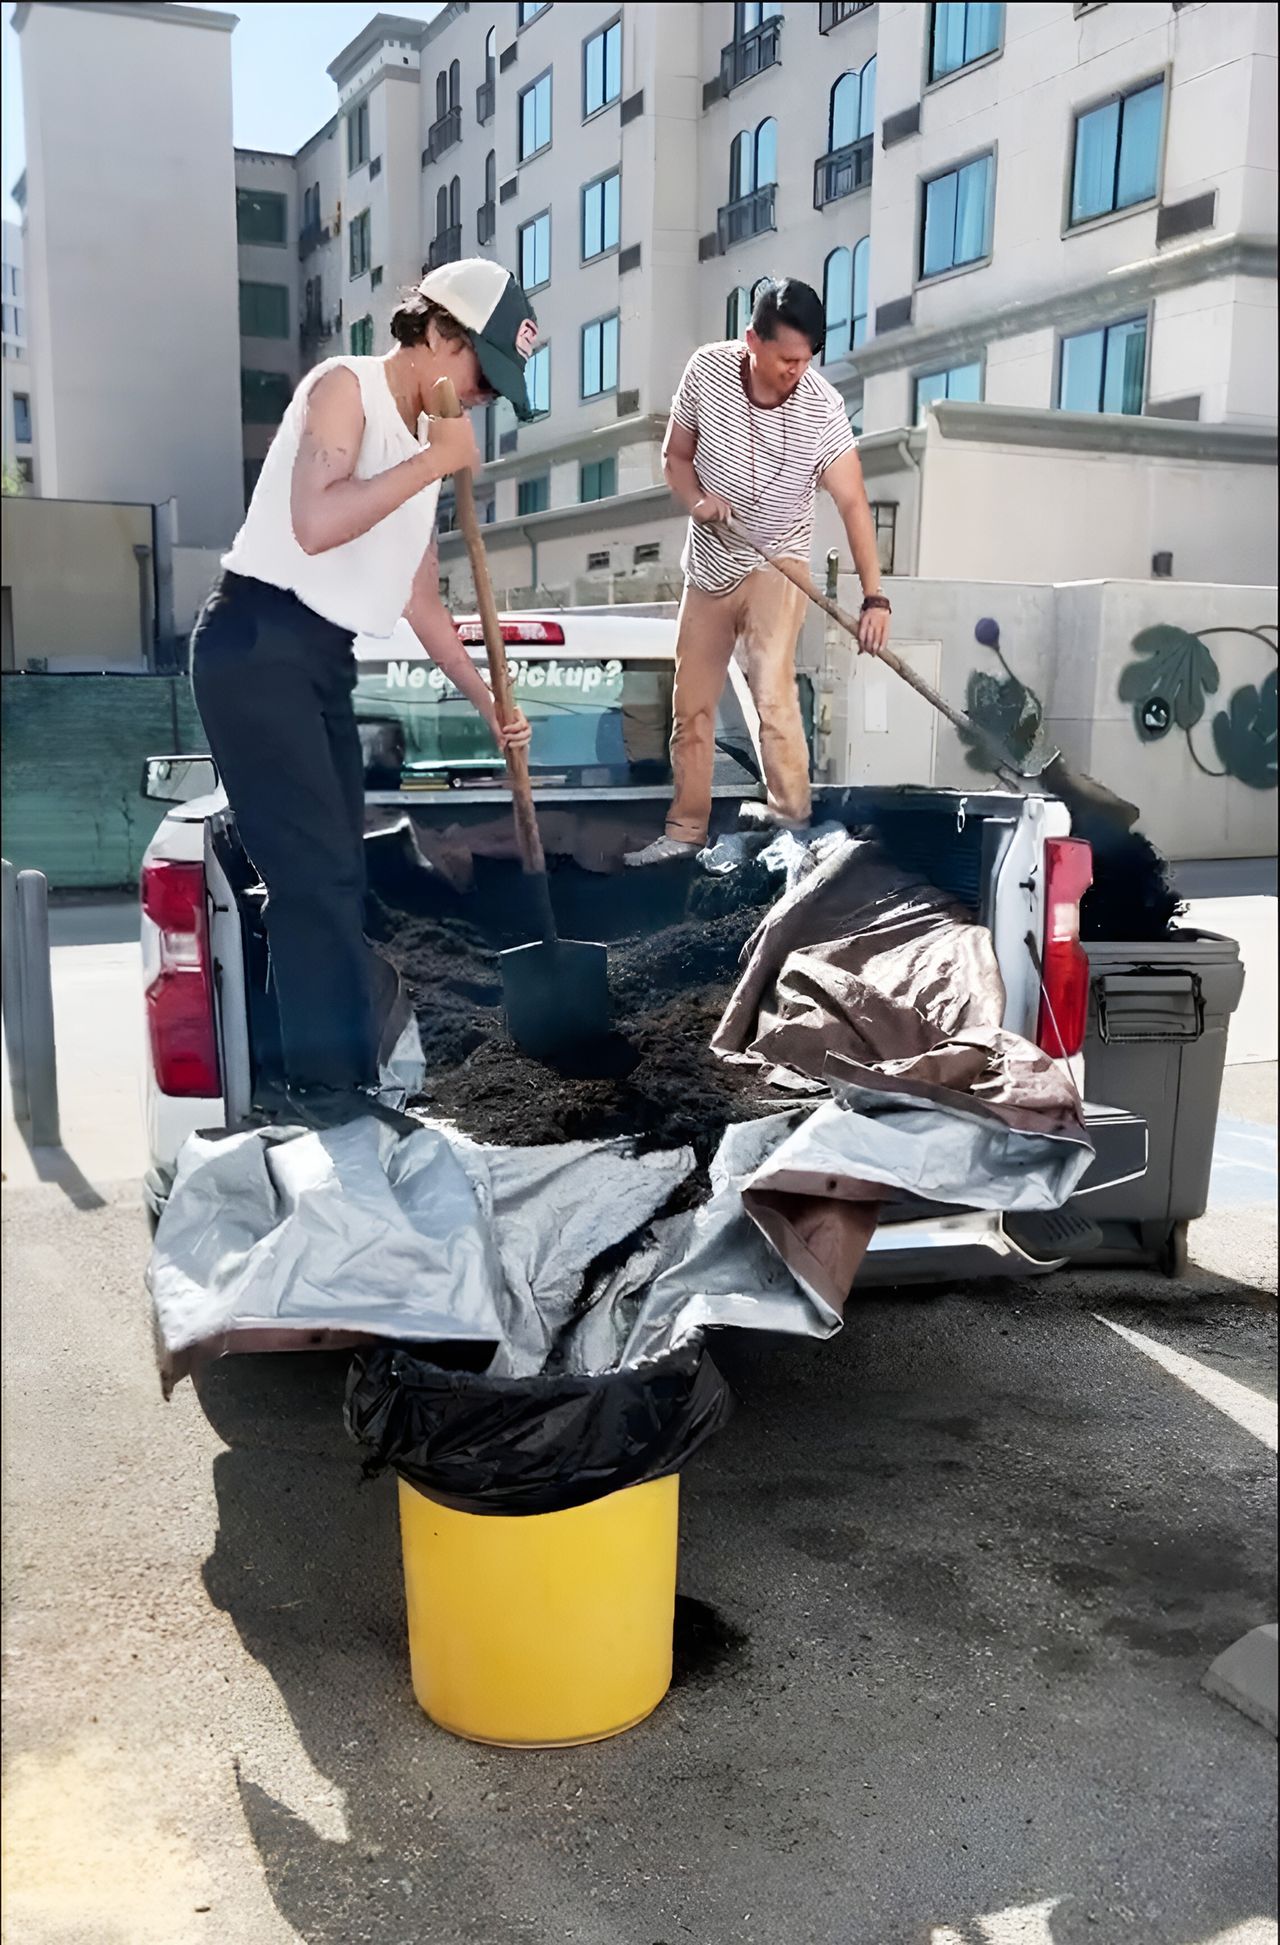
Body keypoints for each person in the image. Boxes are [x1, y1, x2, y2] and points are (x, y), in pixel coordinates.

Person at [191, 260, 538, 1126]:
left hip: (320, 658)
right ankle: (323, 1096)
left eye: (496, 387)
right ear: (439, 336)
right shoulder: (343, 389)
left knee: (341, 876)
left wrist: (488, 700)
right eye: (482, 372)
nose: (485, 396)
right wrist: (431, 465)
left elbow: (422, 604)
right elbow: (314, 524)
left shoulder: (423, 438)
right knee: (314, 877)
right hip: (255, 640)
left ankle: (334, 1079)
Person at [625, 278, 891, 868]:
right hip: (711, 561)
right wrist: (696, 500)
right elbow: (675, 457)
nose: (795, 372)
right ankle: (685, 830)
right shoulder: (706, 373)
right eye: (786, 360)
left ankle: (793, 825)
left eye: (805, 361)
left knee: (771, 680)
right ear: (752, 341)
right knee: (691, 702)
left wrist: (875, 599)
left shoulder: (821, 406)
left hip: (779, 559)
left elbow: (852, 501)